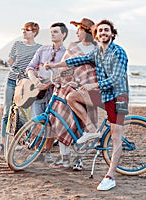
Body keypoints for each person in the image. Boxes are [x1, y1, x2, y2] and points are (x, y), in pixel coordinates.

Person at [44, 19, 129, 191]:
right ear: (97, 35)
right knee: (72, 97)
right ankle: (91, 130)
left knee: (115, 136)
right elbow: (76, 61)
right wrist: (54, 65)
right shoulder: (97, 53)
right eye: (100, 31)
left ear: (112, 34)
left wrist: (93, 85)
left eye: (107, 30)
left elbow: (117, 78)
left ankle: (110, 176)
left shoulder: (118, 52)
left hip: (119, 97)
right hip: (103, 95)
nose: (103, 33)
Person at [48, 18, 98, 170]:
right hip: (68, 87)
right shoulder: (73, 46)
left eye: (79, 29)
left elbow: (96, 72)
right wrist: (61, 76)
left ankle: (79, 160)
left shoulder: (97, 48)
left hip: (87, 91)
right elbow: (66, 67)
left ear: (87, 31)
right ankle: (65, 159)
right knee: (62, 122)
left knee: (81, 126)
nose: (76, 32)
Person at [0, 22, 42, 153]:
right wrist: (1, 62)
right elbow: (10, 62)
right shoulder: (17, 45)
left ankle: (20, 141)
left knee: (23, 113)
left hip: (26, 83)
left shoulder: (39, 48)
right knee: (6, 112)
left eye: (28, 30)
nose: (24, 32)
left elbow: (38, 66)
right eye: (23, 29)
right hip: (11, 80)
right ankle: (2, 144)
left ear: (35, 32)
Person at [26, 22, 68, 163]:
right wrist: (35, 81)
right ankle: (37, 150)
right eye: (51, 31)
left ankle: (47, 151)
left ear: (63, 34)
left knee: (52, 123)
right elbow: (30, 67)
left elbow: (68, 73)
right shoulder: (42, 50)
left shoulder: (67, 53)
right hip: (38, 91)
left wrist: (49, 84)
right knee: (37, 121)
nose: (52, 34)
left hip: (56, 91)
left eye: (55, 32)